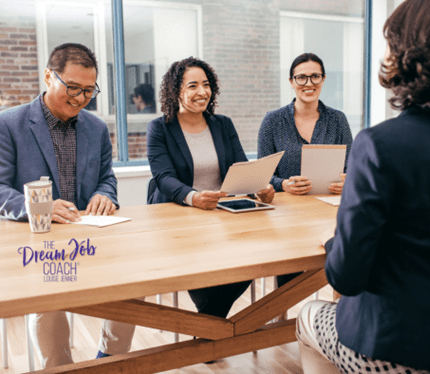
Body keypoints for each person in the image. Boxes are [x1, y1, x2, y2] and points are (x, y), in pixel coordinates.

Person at [296, 0, 430, 373]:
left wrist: (337, 244)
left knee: (307, 317)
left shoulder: (381, 144)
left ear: (408, 55)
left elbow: (346, 277)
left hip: (398, 348)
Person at [96, 57, 275, 359]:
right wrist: (194, 197)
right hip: (178, 218)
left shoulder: (223, 124)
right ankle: (213, 331)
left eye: (206, 85)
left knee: (256, 256)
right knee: (198, 268)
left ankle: (208, 327)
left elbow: (239, 167)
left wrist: (258, 185)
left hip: (223, 216)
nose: (201, 91)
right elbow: (163, 177)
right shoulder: (160, 128)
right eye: (192, 85)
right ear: (175, 91)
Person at [0, 43, 118, 368]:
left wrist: (105, 194)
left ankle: (110, 359)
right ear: (48, 76)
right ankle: (60, 367)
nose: (80, 99)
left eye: (89, 91)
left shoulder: (95, 128)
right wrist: (39, 208)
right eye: (73, 88)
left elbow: (108, 178)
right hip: (39, 244)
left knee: (134, 287)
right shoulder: (9, 124)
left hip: (91, 239)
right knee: (50, 296)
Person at [258, 53, 353, 290]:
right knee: (288, 277)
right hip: (286, 214)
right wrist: (283, 184)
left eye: (315, 77)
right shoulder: (272, 121)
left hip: (328, 212)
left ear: (323, 80)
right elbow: (262, 175)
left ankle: (333, 319)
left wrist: (347, 181)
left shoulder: (338, 120)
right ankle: (280, 321)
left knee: (339, 268)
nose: (308, 83)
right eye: (301, 78)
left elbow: (353, 168)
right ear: (291, 81)